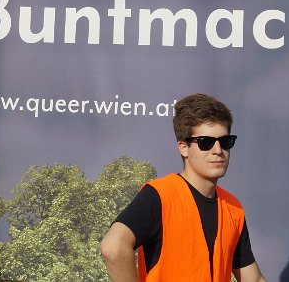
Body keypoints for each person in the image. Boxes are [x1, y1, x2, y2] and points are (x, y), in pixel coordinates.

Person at [101, 93, 267, 282]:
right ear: (183, 147)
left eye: (225, 141)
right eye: (205, 142)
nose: (218, 150)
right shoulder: (160, 195)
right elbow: (113, 247)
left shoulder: (233, 208)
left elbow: (253, 279)